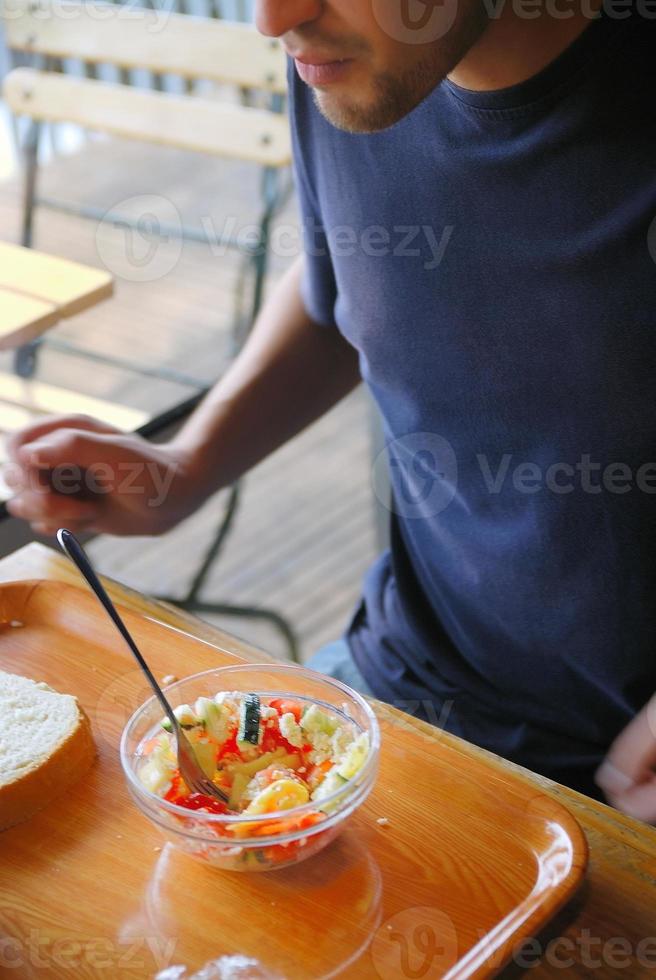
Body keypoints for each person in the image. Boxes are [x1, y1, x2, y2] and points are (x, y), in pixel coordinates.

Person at [4, 0, 656, 821]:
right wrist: (188, 465)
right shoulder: (352, 62)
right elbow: (338, 292)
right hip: (404, 684)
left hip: (626, 775)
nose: (273, 20)